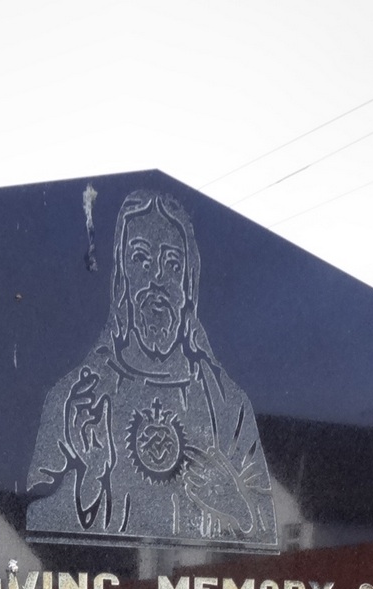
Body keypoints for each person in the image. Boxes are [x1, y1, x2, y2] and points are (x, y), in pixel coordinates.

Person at [27, 189, 278, 550]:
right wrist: (90, 476)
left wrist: (238, 509)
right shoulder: (75, 401)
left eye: (172, 264)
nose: (157, 280)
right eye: (141, 260)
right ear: (122, 278)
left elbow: (271, 534)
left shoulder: (228, 406)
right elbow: (30, 529)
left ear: (188, 284)